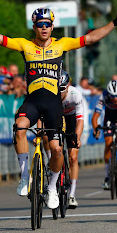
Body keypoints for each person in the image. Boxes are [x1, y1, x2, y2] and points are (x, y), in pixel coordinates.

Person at [0, 5, 117, 209]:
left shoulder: (62, 44)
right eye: (40, 25)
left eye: (47, 24)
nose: (44, 28)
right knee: (19, 127)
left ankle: (53, 188)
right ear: (34, 27)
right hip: (33, 102)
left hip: (54, 104)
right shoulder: (25, 45)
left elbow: (90, 38)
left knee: (57, 150)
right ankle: (24, 178)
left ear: (52, 27)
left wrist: (115, 22)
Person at [35, 71, 84, 208]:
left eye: (62, 89)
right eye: (57, 89)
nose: (60, 92)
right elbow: (41, 117)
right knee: (45, 136)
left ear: (68, 86)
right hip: (55, 118)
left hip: (71, 120)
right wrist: (39, 132)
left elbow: (80, 121)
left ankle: (72, 195)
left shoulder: (75, 95)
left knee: (73, 157)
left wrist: (77, 137)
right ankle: (52, 160)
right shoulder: (50, 95)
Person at [92, 80, 117, 189]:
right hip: (109, 118)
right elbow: (95, 116)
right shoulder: (103, 96)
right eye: (112, 96)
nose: (115, 99)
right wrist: (96, 129)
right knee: (108, 143)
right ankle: (107, 177)